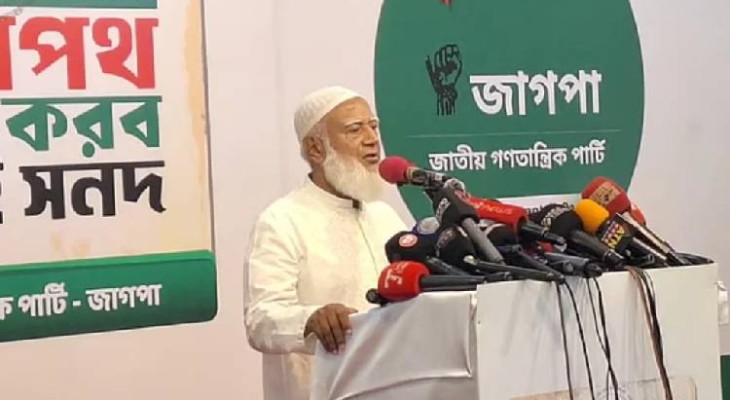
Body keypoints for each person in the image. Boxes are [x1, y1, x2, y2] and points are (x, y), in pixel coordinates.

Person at [243, 86, 408, 400]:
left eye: (373, 126)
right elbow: (261, 320)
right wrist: (311, 319)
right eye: (354, 130)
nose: (372, 139)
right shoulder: (281, 220)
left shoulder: (384, 215)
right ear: (316, 149)